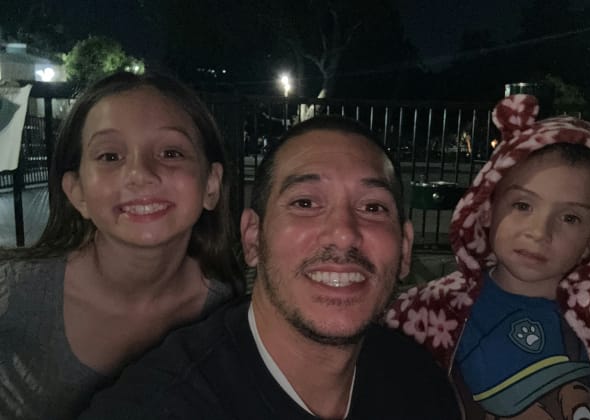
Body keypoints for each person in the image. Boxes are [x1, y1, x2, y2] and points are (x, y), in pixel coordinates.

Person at [78, 115, 461, 419]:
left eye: (373, 207)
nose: (344, 233)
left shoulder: (419, 385)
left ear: (404, 248)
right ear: (252, 239)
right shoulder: (159, 406)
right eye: (305, 203)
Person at [0, 71, 243, 419]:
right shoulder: (12, 294)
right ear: (77, 193)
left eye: (171, 152)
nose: (140, 174)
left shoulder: (226, 308)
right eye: (110, 156)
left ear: (211, 185)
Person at [386, 94, 590, 419]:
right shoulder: (426, 313)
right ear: (487, 208)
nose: (539, 232)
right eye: (522, 205)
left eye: (570, 218)